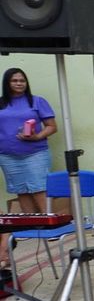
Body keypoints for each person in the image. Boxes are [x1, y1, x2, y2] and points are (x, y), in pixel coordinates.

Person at [0, 68, 58, 214]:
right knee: (21, 190)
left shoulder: (37, 101)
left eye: (22, 80)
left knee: (39, 188)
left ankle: (48, 225)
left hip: (35, 154)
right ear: (6, 83)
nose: (19, 83)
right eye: (14, 80)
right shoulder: (1, 103)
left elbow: (51, 127)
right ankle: (31, 225)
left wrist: (37, 137)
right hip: (7, 156)